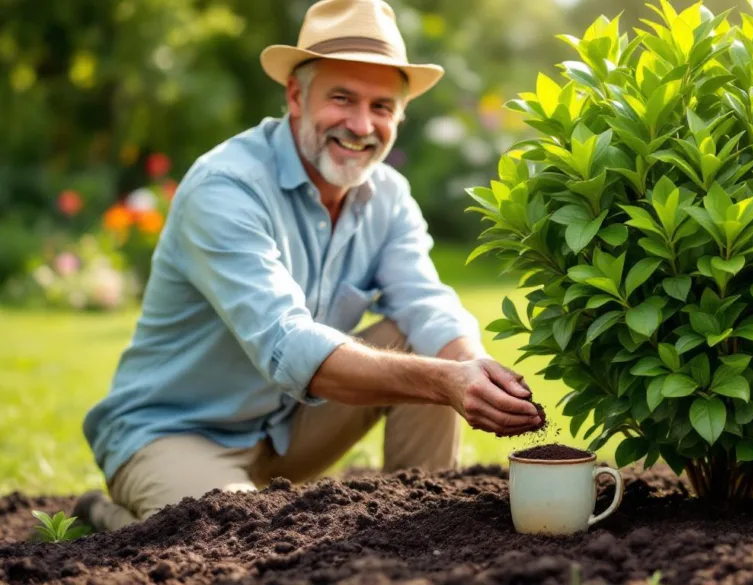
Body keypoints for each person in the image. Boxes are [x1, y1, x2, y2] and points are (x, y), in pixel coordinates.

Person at [73, 0, 541, 532]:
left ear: (400, 115)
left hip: (287, 432)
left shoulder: (388, 196)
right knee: (236, 536)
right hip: (173, 432)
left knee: (427, 344)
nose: (362, 125)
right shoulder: (226, 187)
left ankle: (423, 531)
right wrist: (446, 381)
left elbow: (426, 302)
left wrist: (473, 369)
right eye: (342, 98)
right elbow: (289, 344)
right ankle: (111, 520)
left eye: (383, 106)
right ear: (296, 96)